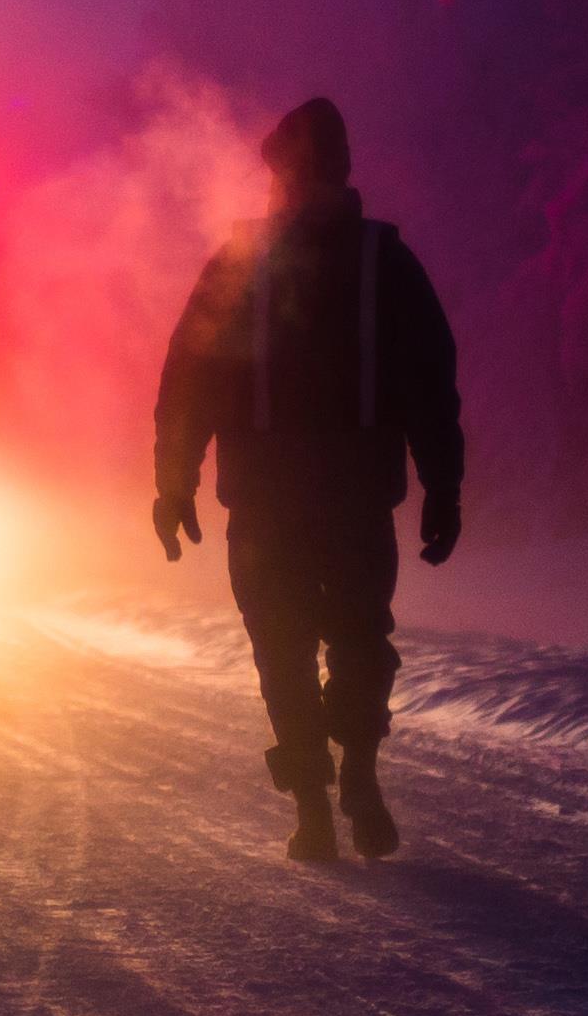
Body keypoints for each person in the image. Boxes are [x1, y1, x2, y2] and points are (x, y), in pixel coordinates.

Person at [152, 96, 465, 861]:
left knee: (281, 647)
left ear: (279, 174)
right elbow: (431, 385)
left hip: (263, 504)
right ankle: (357, 772)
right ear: (345, 169)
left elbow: (187, 382)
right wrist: (443, 488)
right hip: (356, 500)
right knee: (360, 637)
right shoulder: (386, 262)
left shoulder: (239, 265)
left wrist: (174, 485)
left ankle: (314, 814)